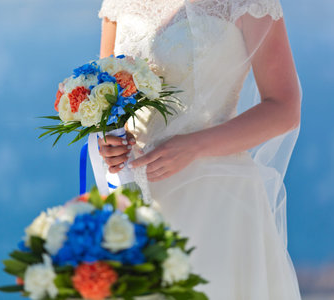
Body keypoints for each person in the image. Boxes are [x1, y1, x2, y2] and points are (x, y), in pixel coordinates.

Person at [96, 0, 302, 299]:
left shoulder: (250, 3)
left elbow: (284, 108)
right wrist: (111, 143)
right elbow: (108, 101)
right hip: (136, 197)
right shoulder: (118, 4)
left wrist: (194, 147)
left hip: (218, 201)